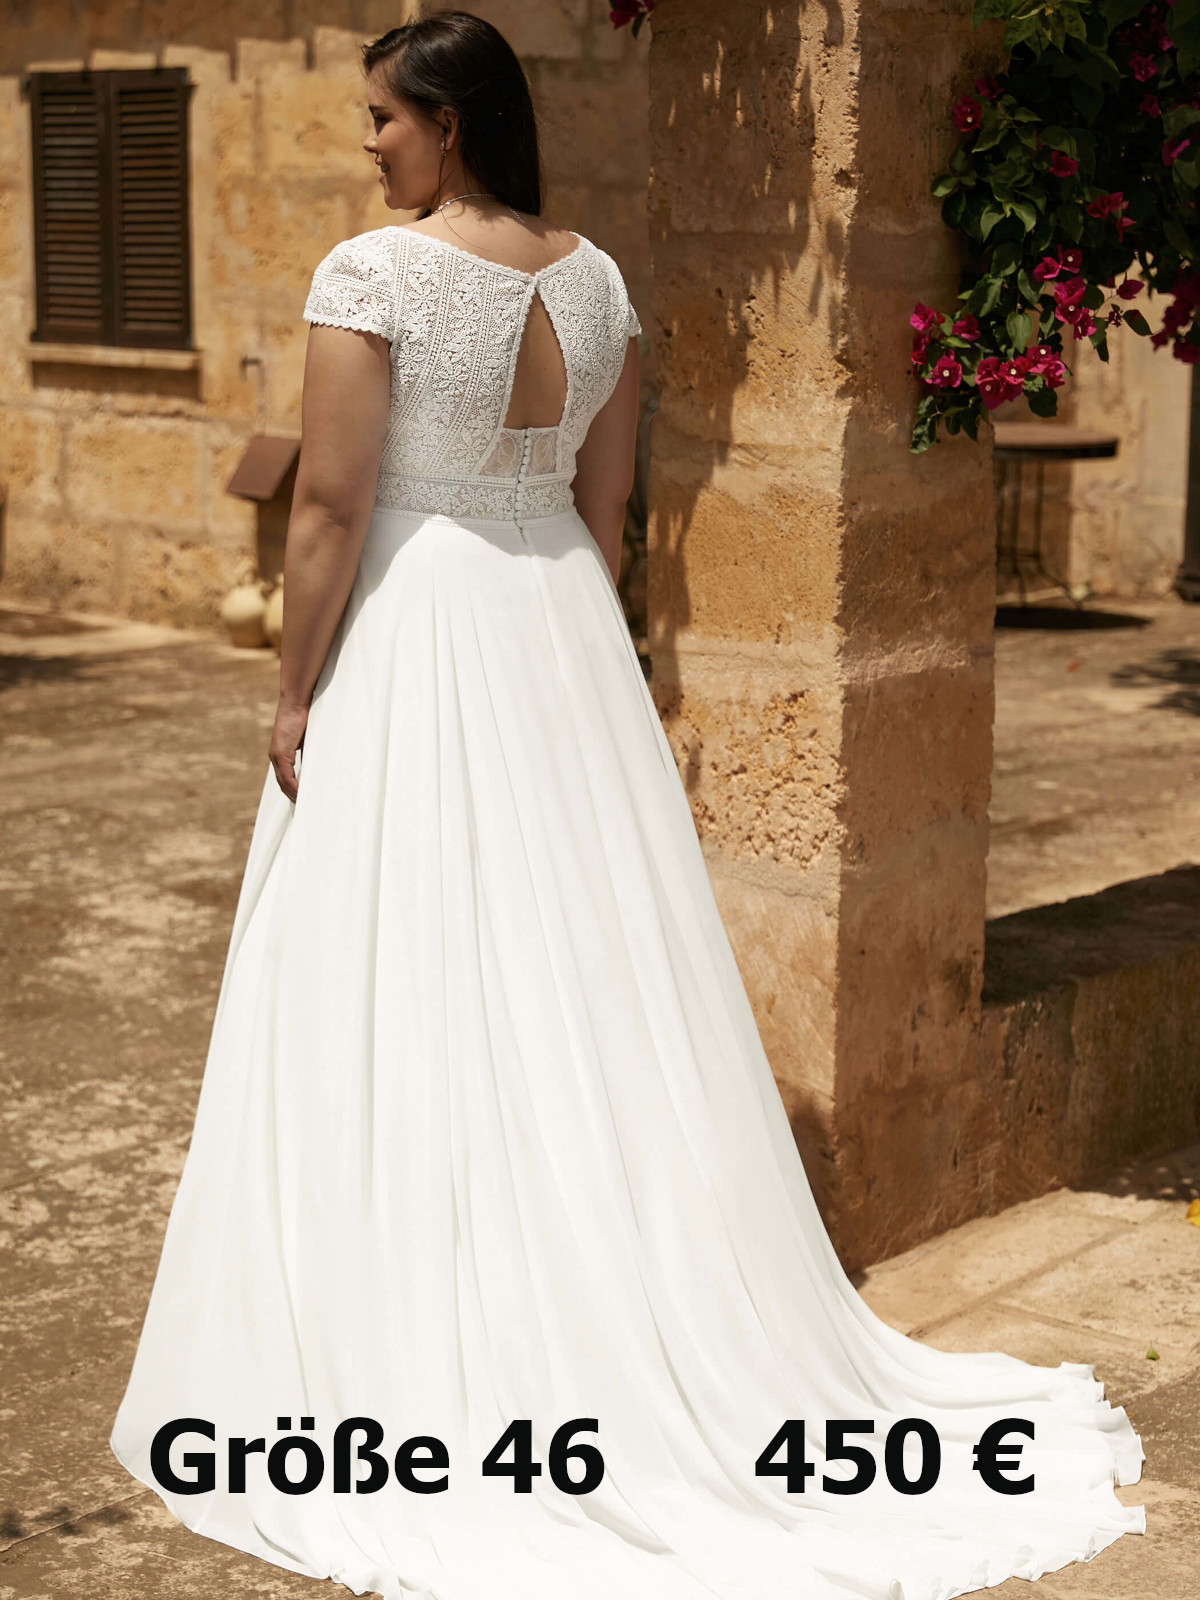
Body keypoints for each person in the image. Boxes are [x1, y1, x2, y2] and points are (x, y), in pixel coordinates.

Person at [109, 13, 1145, 1599]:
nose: (368, 144)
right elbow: (604, 519)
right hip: (557, 637)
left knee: (403, 965)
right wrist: (569, 652)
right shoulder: (596, 284)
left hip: (422, 622)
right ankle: (613, 1294)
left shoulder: (373, 275)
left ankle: (420, 1337)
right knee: (577, 977)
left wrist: (295, 689)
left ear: (450, 123)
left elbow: (329, 508)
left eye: (383, 117)